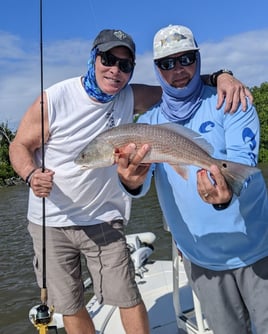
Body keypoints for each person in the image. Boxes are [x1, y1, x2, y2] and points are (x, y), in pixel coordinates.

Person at [9, 28, 252, 334]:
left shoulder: (131, 95)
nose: (115, 70)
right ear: (93, 59)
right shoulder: (54, 99)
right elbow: (18, 145)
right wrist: (31, 174)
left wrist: (222, 76)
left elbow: (179, 84)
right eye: (108, 59)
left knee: (127, 297)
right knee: (69, 304)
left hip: (104, 217)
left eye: (125, 65)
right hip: (50, 221)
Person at [117, 24, 268, 334]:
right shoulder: (148, 123)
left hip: (259, 250)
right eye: (167, 63)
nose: (178, 70)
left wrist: (225, 197)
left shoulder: (231, 98)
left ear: (199, 59)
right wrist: (131, 180)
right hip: (201, 260)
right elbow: (141, 185)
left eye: (186, 59)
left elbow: (244, 165)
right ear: (157, 70)